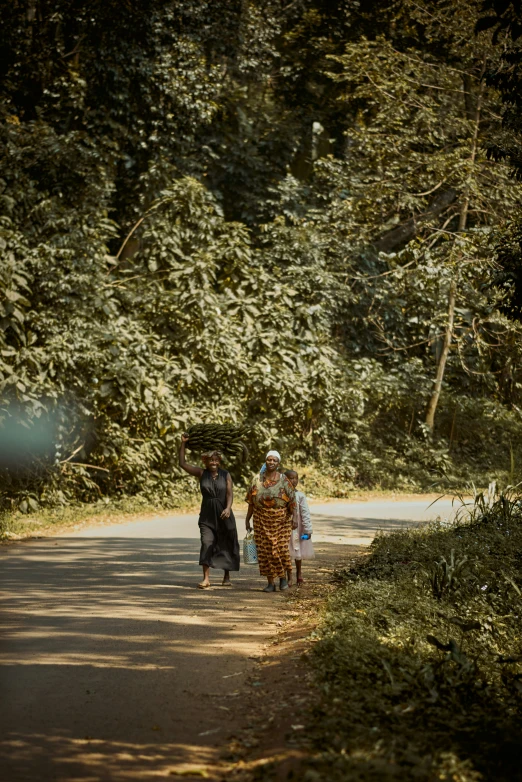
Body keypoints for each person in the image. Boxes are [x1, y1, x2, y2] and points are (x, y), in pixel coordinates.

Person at [179, 433, 240, 588]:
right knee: (207, 543)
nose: (213, 462)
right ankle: (206, 579)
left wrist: (228, 508)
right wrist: (183, 444)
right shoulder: (201, 473)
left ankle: (226, 576)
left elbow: (229, 493)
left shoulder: (226, 475)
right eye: (210, 460)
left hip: (224, 515)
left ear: (219, 461)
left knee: (226, 542)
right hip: (207, 517)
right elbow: (182, 463)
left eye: (216, 460)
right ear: (205, 461)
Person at [245, 450, 296, 592]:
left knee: (279, 549)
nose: (271, 462)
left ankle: (283, 579)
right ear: (265, 461)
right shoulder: (257, 479)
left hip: (281, 520)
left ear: (278, 463)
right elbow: (251, 501)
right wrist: (247, 519)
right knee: (265, 551)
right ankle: (270, 582)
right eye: (269, 460)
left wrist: (295, 519)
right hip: (261, 519)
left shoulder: (284, 480)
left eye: (274, 460)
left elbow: (292, 501)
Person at [284, 470, 314, 586]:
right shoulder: (282, 494)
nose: (293, 481)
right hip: (285, 526)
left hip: (296, 528)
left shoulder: (300, 495)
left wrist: (308, 529)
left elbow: (305, 513)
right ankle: (289, 575)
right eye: (290, 478)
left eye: (295, 478)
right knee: (286, 552)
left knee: (297, 551)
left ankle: (299, 574)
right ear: (284, 480)